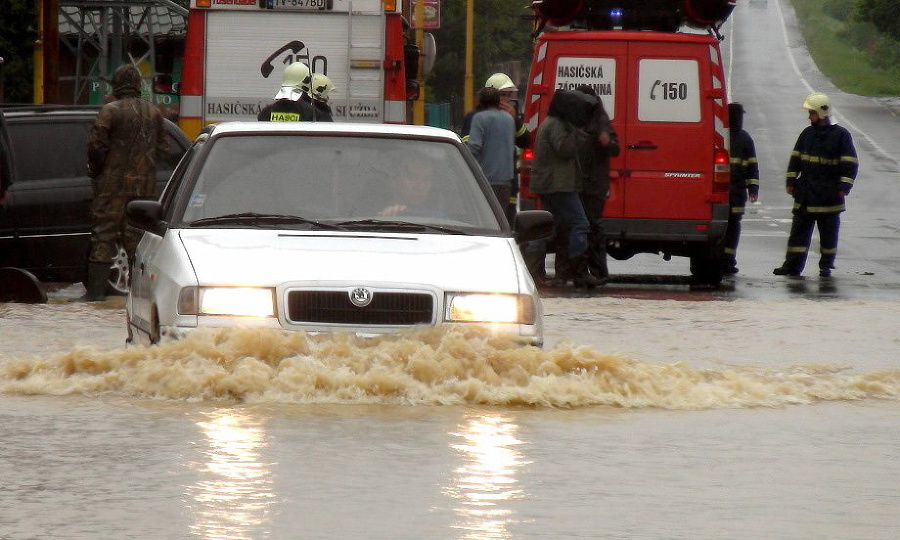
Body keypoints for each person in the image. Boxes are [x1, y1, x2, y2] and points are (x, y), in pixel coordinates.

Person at [82, 64, 168, 302]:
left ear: (117, 85)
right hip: (144, 188)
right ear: (139, 85)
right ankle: (138, 298)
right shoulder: (154, 113)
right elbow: (164, 148)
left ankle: (95, 296)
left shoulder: (110, 111)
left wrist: (98, 171)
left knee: (104, 235)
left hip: (112, 186)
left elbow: (95, 146)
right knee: (138, 241)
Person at [773, 92, 859, 278]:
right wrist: (791, 181)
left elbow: (850, 163)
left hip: (829, 197)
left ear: (821, 113)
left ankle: (825, 267)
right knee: (798, 235)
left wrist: (843, 188)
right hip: (805, 195)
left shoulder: (841, 136)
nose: (809, 116)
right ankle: (792, 266)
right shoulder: (807, 134)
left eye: (812, 112)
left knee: (828, 236)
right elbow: (795, 159)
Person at [526, 89, 603, 289]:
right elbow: (564, 149)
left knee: (545, 228)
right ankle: (579, 272)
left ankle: (535, 273)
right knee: (580, 224)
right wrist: (578, 135)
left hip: (552, 184)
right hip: (557, 186)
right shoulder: (558, 125)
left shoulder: (552, 122)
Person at [461, 73, 530, 224]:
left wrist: (516, 120)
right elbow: (470, 150)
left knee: (507, 223)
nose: (507, 99)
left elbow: (525, 141)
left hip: (508, 182)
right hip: (485, 181)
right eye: (503, 95)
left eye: (509, 95)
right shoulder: (474, 118)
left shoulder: (509, 118)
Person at [573, 84, 619, 283]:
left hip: (594, 184)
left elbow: (615, 149)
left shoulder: (600, 120)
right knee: (580, 227)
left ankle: (597, 270)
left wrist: (606, 142)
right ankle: (581, 271)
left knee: (593, 227)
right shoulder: (575, 119)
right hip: (577, 182)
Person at [465, 87, 516, 216]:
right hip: (505, 181)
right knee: (500, 219)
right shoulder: (509, 119)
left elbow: (474, 148)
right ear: (497, 101)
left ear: (481, 102)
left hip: (485, 180)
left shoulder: (479, 118)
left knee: (484, 218)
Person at [722, 102, 760, 275]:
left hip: (727, 192)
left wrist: (753, 188)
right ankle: (728, 260)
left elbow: (752, 166)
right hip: (735, 192)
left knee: (727, 225)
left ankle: (725, 259)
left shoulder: (720, 135)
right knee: (732, 226)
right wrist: (753, 188)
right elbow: (753, 167)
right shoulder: (745, 138)